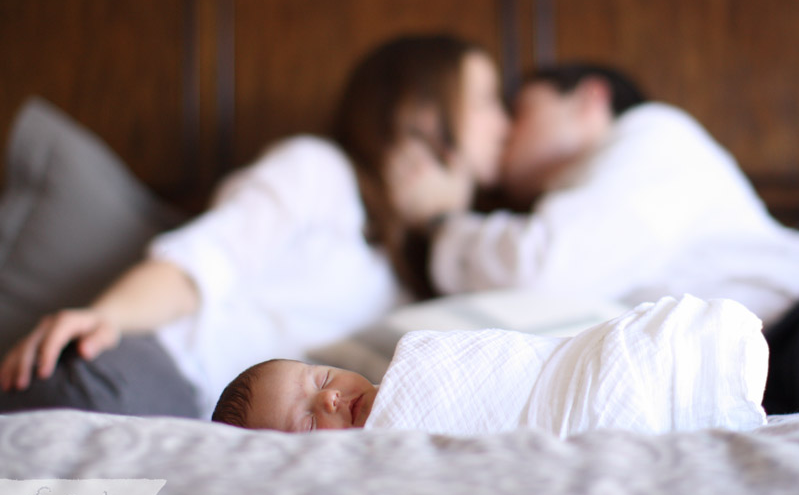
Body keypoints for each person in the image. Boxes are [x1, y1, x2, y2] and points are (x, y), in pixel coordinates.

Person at [0, 34, 509, 418]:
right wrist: (106, 316)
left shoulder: (424, 272)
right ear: (416, 111)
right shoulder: (319, 172)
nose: (503, 124)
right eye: (487, 100)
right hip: (153, 372)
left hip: (219, 427)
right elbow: (205, 260)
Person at [429, 63, 799, 415]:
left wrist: (440, 227)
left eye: (520, 110)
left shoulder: (653, 133)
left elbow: (542, 267)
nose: (506, 129)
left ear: (590, 98)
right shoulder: (562, 207)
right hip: (763, 364)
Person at [213, 294, 770, 436]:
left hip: (591, 367)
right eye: (309, 422)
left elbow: (529, 364)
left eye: (321, 380)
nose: (330, 399)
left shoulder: (416, 364)